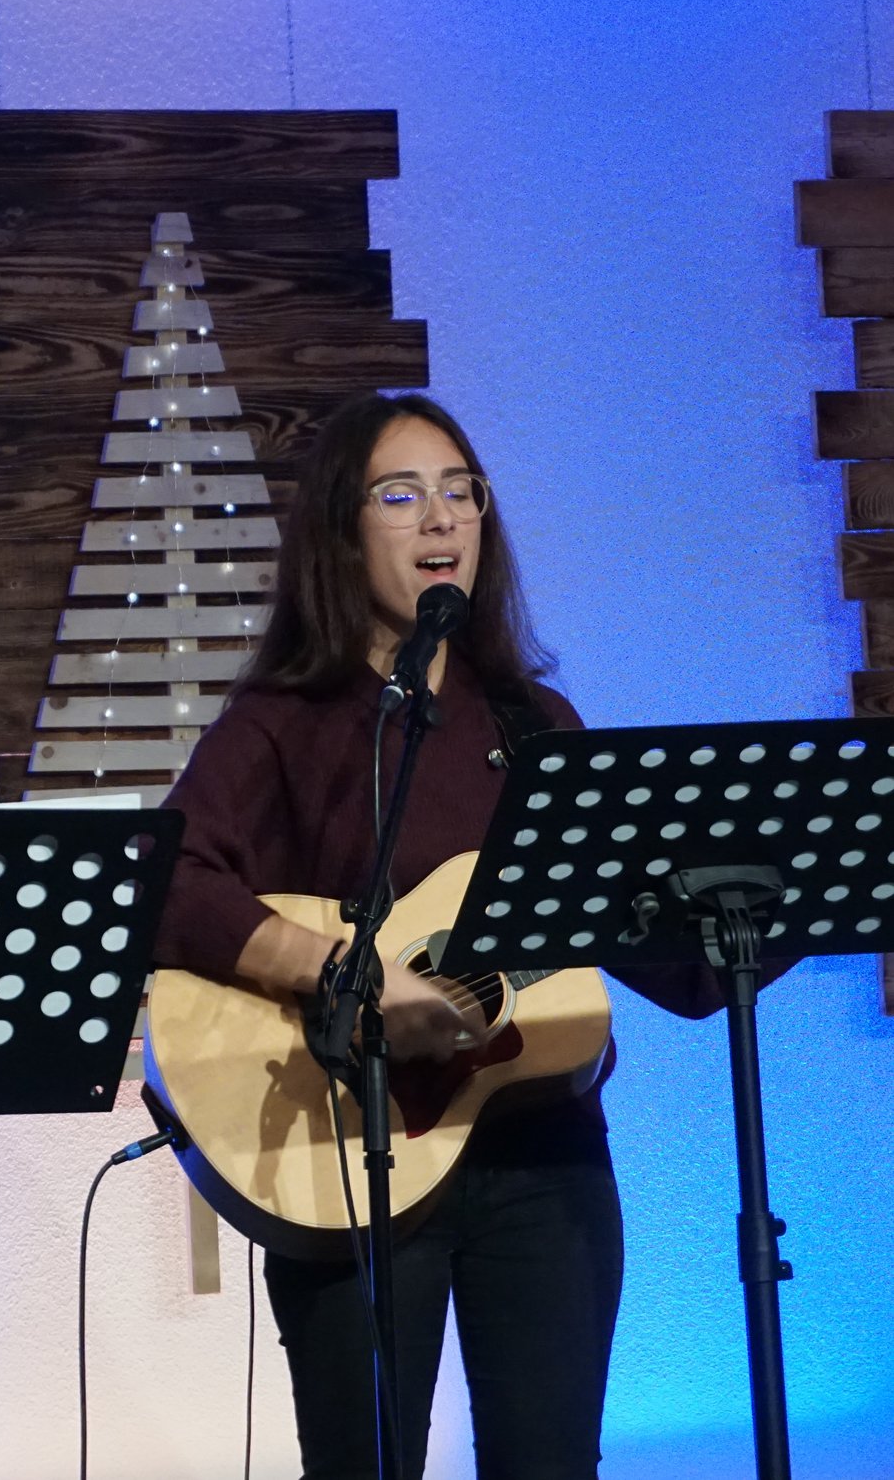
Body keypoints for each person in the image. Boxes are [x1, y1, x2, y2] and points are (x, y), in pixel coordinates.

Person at [156, 391, 750, 1479]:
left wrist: (773, 896)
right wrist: (344, 972)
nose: (441, 518)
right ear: (340, 531)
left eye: (459, 490)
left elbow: (678, 963)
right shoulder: (282, 723)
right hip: (345, 1157)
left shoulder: (535, 726)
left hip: (545, 1162)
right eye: (400, 494)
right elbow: (166, 884)